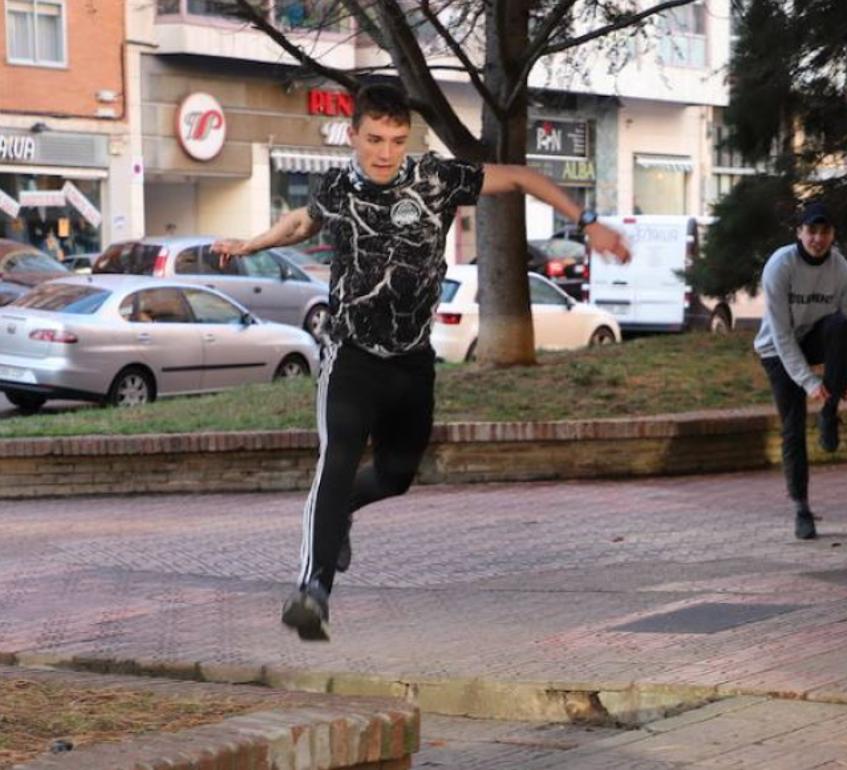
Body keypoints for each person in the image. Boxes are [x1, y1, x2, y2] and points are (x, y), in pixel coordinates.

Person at [212, 84, 629, 641]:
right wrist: (249, 245)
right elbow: (302, 223)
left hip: (411, 363)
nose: (386, 152)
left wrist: (586, 221)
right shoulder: (336, 186)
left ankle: (343, 516)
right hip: (350, 354)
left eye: (397, 140)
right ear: (354, 134)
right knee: (336, 459)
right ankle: (313, 589)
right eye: (375, 139)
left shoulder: (436, 178)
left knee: (396, 475)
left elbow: (524, 178)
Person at [754, 201, 847, 540]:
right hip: (777, 348)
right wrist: (807, 382)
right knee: (793, 426)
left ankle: (831, 414)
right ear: (799, 233)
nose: (818, 238)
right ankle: (801, 507)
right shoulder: (780, 266)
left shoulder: (841, 270)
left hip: (815, 337)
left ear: (833, 235)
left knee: (840, 326)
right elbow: (781, 333)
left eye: (825, 232)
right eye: (811, 231)